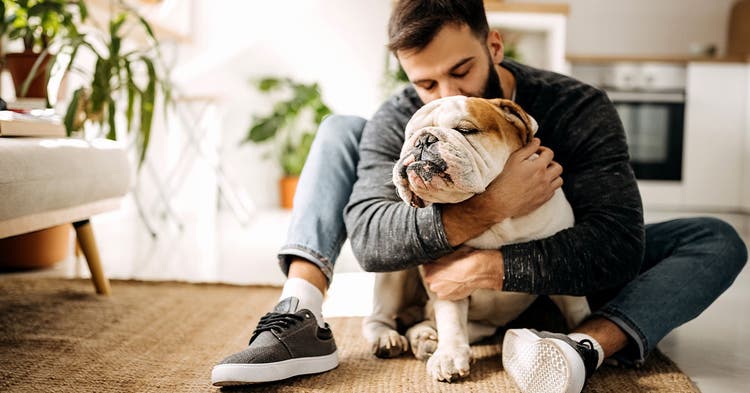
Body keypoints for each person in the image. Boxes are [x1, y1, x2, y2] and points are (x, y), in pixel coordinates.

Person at [211, 1, 748, 391]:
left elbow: (617, 246)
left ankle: (583, 346)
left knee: (717, 238)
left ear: (494, 45)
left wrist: (489, 269)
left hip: (566, 275)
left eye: (461, 71)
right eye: (424, 85)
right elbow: (373, 243)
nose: (446, 95)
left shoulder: (578, 106)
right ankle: (298, 312)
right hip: (461, 287)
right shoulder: (402, 115)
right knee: (339, 128)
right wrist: (492, 205)